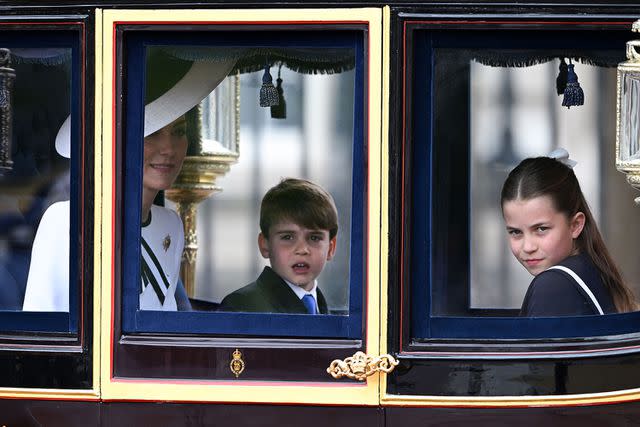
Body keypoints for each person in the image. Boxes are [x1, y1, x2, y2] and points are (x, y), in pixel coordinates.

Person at [22, 50, 235, 311]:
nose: (169, 148)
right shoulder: (66, 220)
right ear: (120, 138)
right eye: (152, 133)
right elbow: (45, 328)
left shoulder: (172, 225)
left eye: (179, 131)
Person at [501, 148, 637, 317]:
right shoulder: (593, 270)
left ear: (575, 225)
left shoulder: (553, 286)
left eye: (541, 229)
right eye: (515, 232)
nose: (528, 247)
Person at [220, 178, 338, 314]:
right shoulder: (241, 306)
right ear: (265, 245)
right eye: (287, 237)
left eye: (314, 238)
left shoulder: (326, 311)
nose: (302, 250)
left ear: (331, 248)